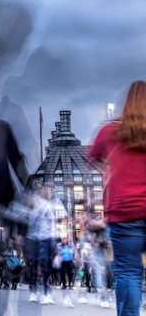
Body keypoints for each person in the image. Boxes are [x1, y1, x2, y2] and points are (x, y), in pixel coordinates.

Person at [88, 80, 146, 316]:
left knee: (129, 272)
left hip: (125, 212)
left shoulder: (109, 131)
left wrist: (109, 168)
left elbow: (92, 156)